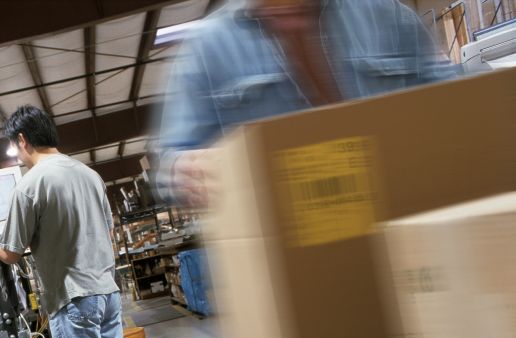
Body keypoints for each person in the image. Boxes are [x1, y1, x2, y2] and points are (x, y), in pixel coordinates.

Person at [157, 0, 459, 205]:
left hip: (405, 210)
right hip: (296, 260)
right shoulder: (209, 48)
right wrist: (184, 170)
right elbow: (172, 160)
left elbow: (457, 101)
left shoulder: (383, 14)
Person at [0, 105, 131, 338]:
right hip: (107, 294)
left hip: (73, 300)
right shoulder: (90, 174)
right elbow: (108, 232)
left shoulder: (30, 186)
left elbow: (13, 251)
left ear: (23, 141)